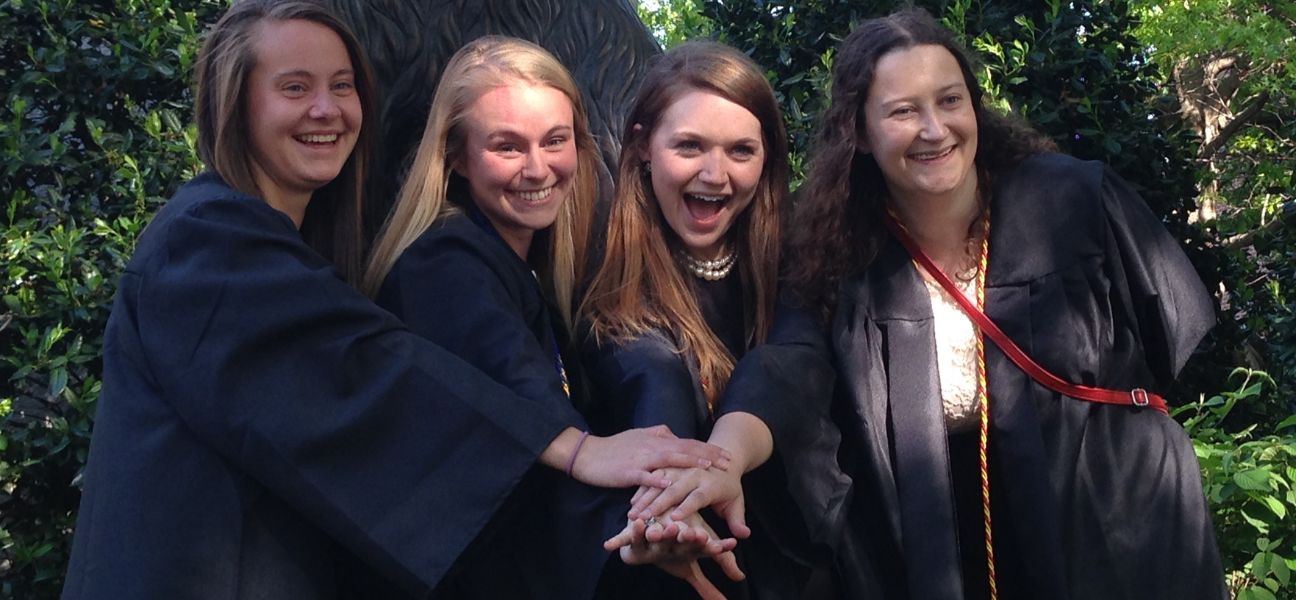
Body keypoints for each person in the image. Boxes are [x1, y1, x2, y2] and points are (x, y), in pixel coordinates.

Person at [61, 3, 730, 599]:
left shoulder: (289, 244)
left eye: (342, 86)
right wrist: (575, 450)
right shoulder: (203, 241)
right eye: (295, 87)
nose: (325, 110)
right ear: (235, 103)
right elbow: (368, 376)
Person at [787, 8, 1226, 600]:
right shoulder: (846, 261)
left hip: (1118, 515)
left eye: (949, 100)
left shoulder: (1072, 201)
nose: (934, 129)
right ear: (859, 133)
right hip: (950, 537)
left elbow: (1171, 326)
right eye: (902, 111)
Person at [361, 36, 740, 597]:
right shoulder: (441, 263)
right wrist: (628, 514)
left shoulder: (527, 261)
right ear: (457, 156)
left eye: (555, 141)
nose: (539, 168)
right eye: (507, 147)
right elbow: (518, 393)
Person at [580, 42, 849, 600]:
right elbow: (644, 370)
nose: (715, 173)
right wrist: (673, 503)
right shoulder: (596, 262)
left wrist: (721, 463)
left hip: (792, 558)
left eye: (741, 151)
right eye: (689, 146)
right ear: (642, 147)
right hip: (656, 554)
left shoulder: (796, 255)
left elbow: (791, 357)